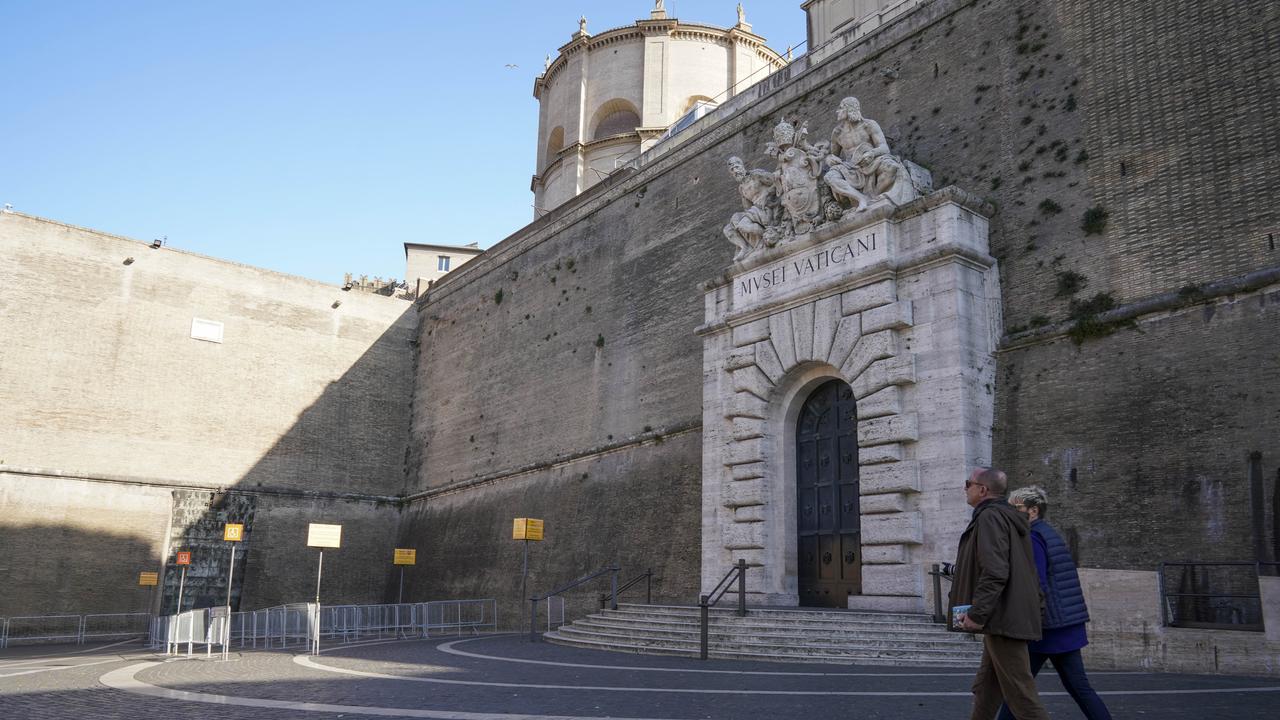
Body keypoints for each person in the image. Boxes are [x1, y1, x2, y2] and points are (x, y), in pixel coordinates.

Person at [996, 487, 1112, 720]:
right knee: (1078, 687)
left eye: (1016, 509)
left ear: (1033, 510)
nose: (1010, 513)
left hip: (1046, 625)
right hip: (1062, 623)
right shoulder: (1046, 533)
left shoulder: (1032, 537)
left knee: (1019, 688)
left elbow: (1034, 584)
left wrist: (1025, 622)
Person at [950, 468, 1051, 720]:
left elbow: (995, 571)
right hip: (1004, 615)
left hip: (1003, 616)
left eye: (968, 484)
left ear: (982, 490)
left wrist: (977, 613)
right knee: (987, 688)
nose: (965, 488)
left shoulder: (989, 518)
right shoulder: (1006, 518)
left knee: (1021, 695)